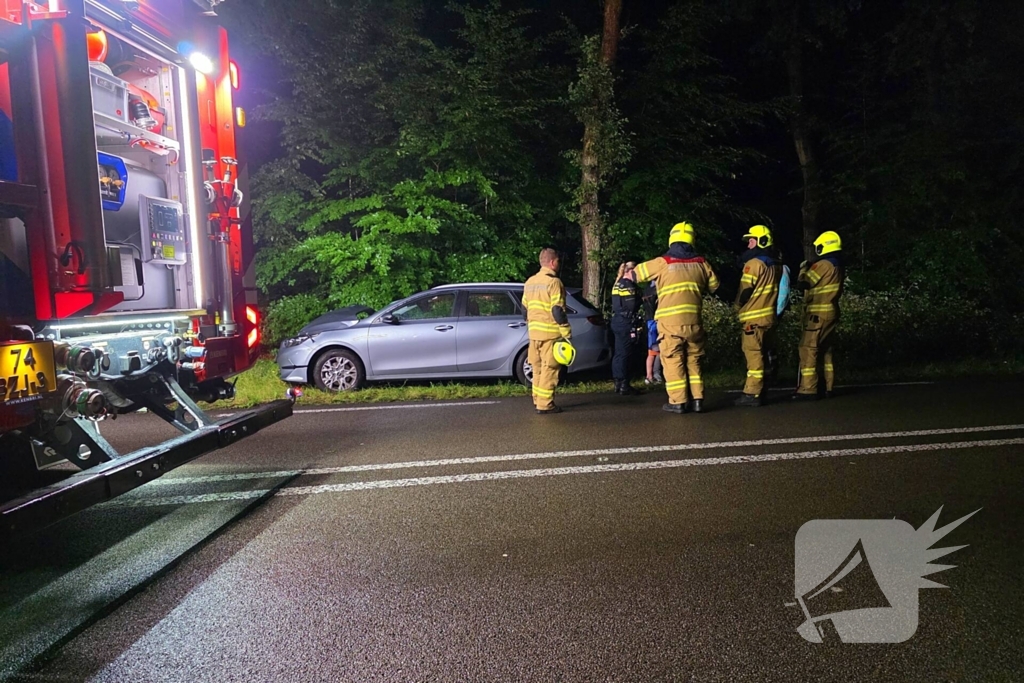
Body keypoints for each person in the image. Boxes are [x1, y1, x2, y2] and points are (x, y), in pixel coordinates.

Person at [634, 222, 720, 414]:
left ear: (672, 239)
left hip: (670, 325)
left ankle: (678, 401)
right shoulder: (702, 263)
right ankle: (697, 400)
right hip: (694, 323)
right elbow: (714, 286)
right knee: (694, 360)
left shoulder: (663, 262)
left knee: (673, 361)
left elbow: (636, 274)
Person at [733, 225, 783, 408]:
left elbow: (745, 291)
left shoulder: (754, 264)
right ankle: (763, 389)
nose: (749, 245)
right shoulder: (776, 264)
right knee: (765, 354)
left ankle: (752, 393)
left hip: (753, 319)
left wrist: (737, 307)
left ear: (761, 241)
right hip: (769, 317)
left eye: (751, 241)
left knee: (754, 355)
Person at [792, 231, 845, 400]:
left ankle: (808, 389)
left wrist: (803, 269)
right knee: (826, 351)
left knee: (808, 349)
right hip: (831, 311)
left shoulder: (822, 265)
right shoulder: (837, 265)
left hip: (817, 314)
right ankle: (827, 386)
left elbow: (804, 283)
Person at [521, 248, 572, 414]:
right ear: (552, 262)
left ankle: (537, 400)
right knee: (549, 369)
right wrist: (566, 331)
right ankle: (545, 404)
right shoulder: (554, 282)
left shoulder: (530, 282)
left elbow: (524, 309)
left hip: (533, 335)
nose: (558, 263)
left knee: (537, 369)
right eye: (557, 261)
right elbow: (557, 310)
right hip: (550, 334)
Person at [610, 261, 640, 395]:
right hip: (626, 322)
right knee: (626, 353)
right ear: (631, 271)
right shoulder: (628, 285)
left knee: (618, 353)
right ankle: (624, 384)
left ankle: (618, 382)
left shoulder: (617, 283)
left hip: (617, 320)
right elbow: (632, 306)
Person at [642, 283, 663, 385]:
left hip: (649, 321)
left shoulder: (647, 289)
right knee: (655, 351)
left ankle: (652, 375)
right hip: (654, 321)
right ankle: (652, 376)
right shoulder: (657, 290)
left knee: (653, 351)